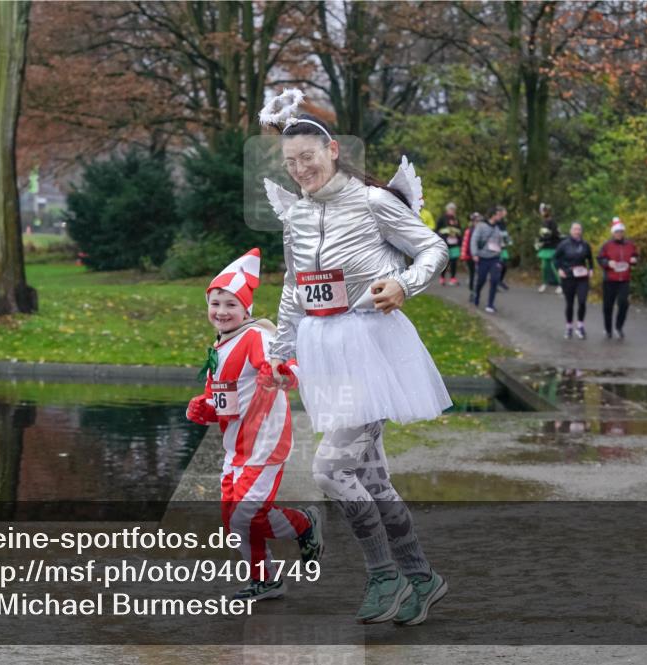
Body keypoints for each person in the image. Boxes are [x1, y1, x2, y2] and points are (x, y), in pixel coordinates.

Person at [261, 92, 451, 626]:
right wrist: (281, 352)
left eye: (309, 158)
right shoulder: (296, 214)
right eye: (291, 162)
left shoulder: (372, 202)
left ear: (333, 151)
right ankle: (422, 578)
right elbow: (294, 287)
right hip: (324, 352)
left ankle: (382, 575)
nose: (301, 170)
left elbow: (432, 247)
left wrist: (404, 283)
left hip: (371, 345)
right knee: (372, 478)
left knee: (328, 469)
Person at [186, 248, 323, 602]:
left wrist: (280, 373)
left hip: (265, 442)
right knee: (234, 523)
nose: (221, 311)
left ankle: (303, 523)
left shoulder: (255, 337)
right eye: (215, 303)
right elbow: (222, 397)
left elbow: (285, 365)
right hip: (236, 447)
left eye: (230, 304)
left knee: (245, 516)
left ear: (246, 309)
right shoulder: (219, 344)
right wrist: (204, 408)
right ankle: (266, 581)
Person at [597, 217, 639, 339]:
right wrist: (607, 263)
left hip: (624, 279)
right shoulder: (607, 245)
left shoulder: (630, 245)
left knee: (623, 303)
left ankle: (619, 327)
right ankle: (608, 329)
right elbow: (600, 258)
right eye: (617, 232)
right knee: (608, 306)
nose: (619, 234)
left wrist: (634, 260)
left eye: (621, 232)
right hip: (610, 279)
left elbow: (636, 256)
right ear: (613, 233)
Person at [554, 222, 594, 339]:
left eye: (579, 229)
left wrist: (591, 269)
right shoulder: (564, 244)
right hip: (568, 277)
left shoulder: (585, 245)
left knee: (582, 301)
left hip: (582, 277)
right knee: (570, 303)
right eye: (575, 229)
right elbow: (555, 258)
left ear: (581, 231)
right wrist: (559, 269)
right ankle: (569, 327)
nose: (577, 232)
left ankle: (580, 326)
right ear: (571, 231)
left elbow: (590, 259)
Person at [470, 209, 502, 313]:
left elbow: (500, 242)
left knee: (494, 280)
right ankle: (476, 295)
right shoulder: (481, 226)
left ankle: (490, 304)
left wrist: (501, 248)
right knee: (481, 280)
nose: (500, 216)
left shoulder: (498, 227)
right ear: (493, 215)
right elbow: (474, 240)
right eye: (498, 214)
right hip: (483, 258)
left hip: (495, 258)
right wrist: (474, 254)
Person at [535, 203, 561, 294]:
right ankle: (545, 283)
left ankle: (561, 285)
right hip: (545, 248)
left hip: (553, 247)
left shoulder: (553, 222)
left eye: (544, 210)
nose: (542, 212)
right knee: (544, 267)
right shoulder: (544, 222)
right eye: (542, 211)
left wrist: (547, 237)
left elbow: (555, 234)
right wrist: (539, 242)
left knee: (554, 266)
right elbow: (542, 235)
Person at [436, 203, 462, 286]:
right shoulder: (442, 218)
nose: (452, 210)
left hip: (454, 243)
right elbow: (437, 230)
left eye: (453, 209)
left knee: (454, 261)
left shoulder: (456, 219)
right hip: (445, 243)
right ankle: (442, 278)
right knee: (446, 261)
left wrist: (458, 239)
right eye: (450, 209)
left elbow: (459, 231)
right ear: (447, 209)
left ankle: (453, 278)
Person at [492, 206, 511, 290]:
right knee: (498, 265)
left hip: (503, 247)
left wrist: (508, 240)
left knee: (505, 265)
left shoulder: (503, 222)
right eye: (502, 212)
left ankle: (500, 281)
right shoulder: (494, 222)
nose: (504, 214)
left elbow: (505, 233)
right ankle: (495, 284)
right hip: (496, 247)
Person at [461, 212, 479, 292]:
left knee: (478, 273)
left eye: (479, 221)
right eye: (476, 221)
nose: (477, 222)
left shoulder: (483, 231)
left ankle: (475, 289)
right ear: (472, 221)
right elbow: (465, 243)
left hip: (480, 255)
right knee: (472, 273)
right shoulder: (469, 231)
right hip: (470, 256)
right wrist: (464, 255)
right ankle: (472, 290)